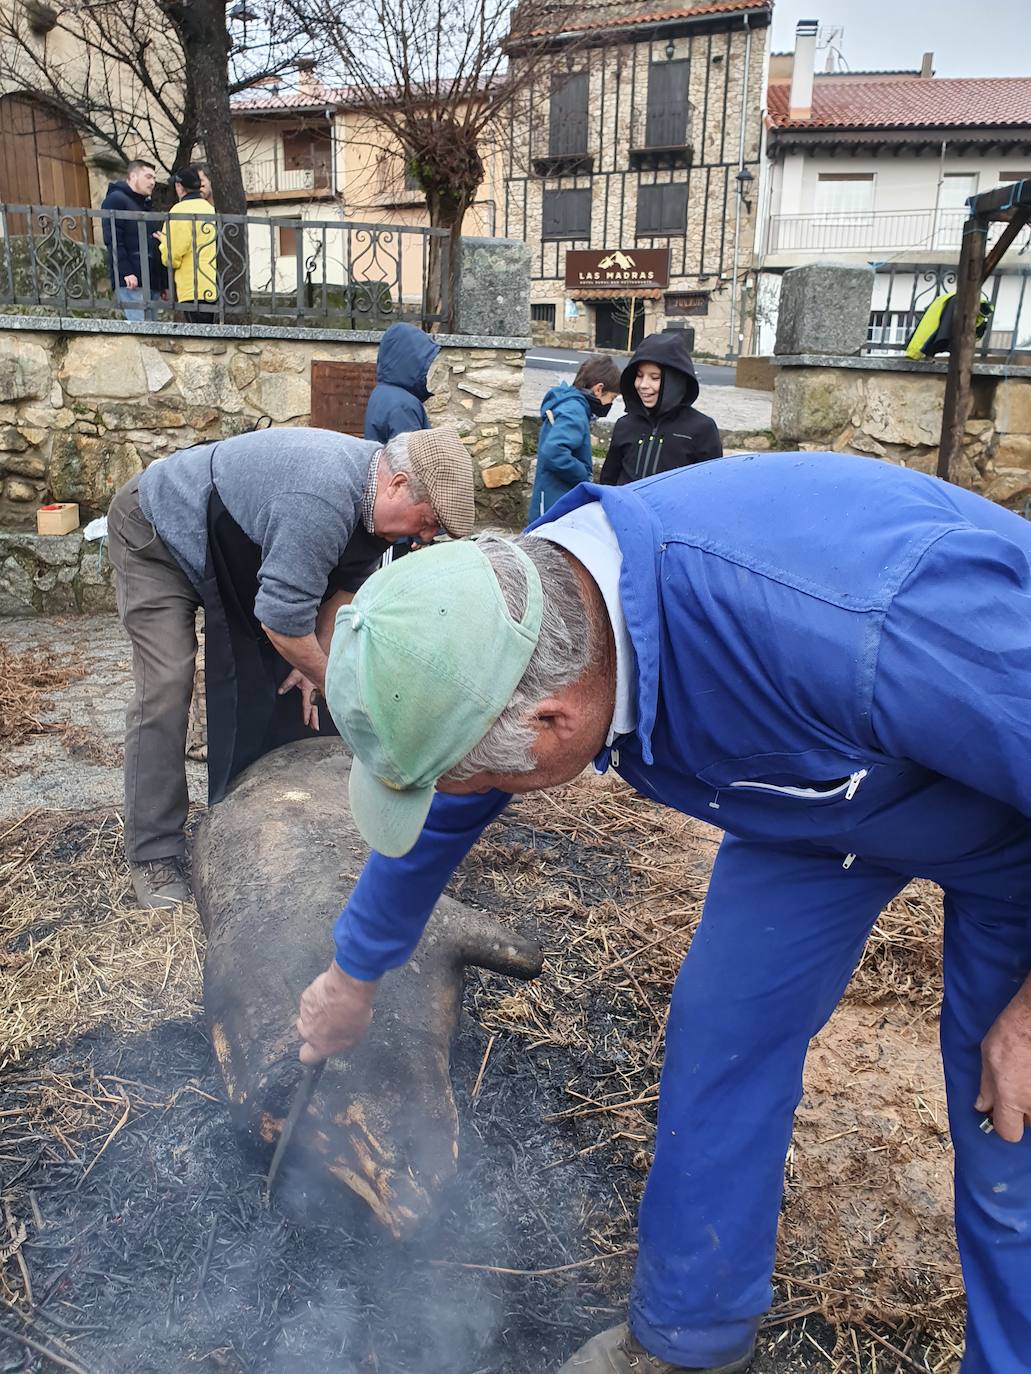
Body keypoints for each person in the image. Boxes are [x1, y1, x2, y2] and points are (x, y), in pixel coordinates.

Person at [298, 451, 1031, 1374]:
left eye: (483, 771)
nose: (471, 790)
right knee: (721, 1039)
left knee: (1009, 1127)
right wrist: (352, 972)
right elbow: (450, 795)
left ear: (554, 725)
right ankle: (692, 1339)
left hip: (1006, 822)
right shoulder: (524, 622)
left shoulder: (867, 623)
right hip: (814, 789)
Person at [106, 425, 474, 910]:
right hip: (156, 532)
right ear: (398, 484)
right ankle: (152, 852)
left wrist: (312, 660)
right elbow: (280, 620)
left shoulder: (372, 507)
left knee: (278, 679)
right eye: (427, 522)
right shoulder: (319, 499)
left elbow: (339, 592)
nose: (427, 536)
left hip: (230, 551)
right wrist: (335, 683)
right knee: (167, 683)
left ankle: (253, 817)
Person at [599, 332, 721, 484]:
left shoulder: (701, 429)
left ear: (675, 381)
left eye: (654, 377)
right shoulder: (625, 425)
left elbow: (711, 486)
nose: (643, 385)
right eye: (639, 375)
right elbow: (608, 480)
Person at [528, 355, 621, 519]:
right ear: (598, 389)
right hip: (556, 499)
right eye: (612, 398)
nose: (610, 403)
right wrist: (583, 475)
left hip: (550, 494)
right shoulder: (574, 411)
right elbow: (553, 451)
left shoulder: (568, 403)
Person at [100, 159, 167, 322]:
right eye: (148, 177)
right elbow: (114, 239)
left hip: (151, 280)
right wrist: (126, 272)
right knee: (141, 331)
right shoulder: (116, 200)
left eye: (154, 178)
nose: (153, 182)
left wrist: (162, 282)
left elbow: (155, 244)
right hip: (132, 280)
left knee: (152, 335)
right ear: (133, 176)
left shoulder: (146, 206)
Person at [364, 322, 441, 444]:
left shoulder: (384, 392)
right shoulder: (403, 405)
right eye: (424, 361)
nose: (428, 368)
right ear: (411, 361)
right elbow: (409, 459)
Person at [160, 167, 217, 323]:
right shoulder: (211, 210)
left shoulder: (179, 211)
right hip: (213, 283)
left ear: (179, 187)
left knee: (199, 338)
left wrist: (163, 244)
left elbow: (173, 255)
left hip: (192, 286)